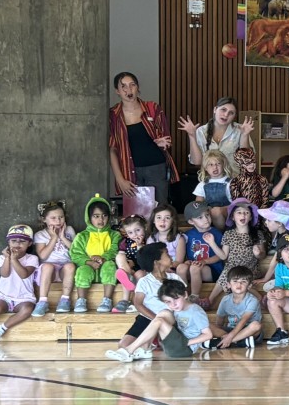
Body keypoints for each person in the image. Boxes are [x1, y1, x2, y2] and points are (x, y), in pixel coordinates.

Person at [108, 72, 178, 213]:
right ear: (117, 91)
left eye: (132, 85)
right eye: (124, 87)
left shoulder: (152, 108)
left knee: (160, 212)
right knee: (135, 214)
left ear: (137, 87)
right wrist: (120, 179)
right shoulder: (113, 115)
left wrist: (161, 142)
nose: (129, 90)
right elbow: (112, 149)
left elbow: (166, 138)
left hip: (156, 167)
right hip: (130, 170)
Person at [105, 278, 212, 363]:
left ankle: (129, 350)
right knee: (164, 313)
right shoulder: (176, 308)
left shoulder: (196, 311)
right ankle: (145, 349)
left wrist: (188, 342)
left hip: (183, 349)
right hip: (176, 340)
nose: (173, 304)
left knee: (159, 321)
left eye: (176, 299)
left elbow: (208, 335)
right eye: (168, 302)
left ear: (185, 295)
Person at [69, 196, 120, 313]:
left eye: (104, 216)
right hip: (89, 266)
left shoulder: (114, 235)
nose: (101, 220)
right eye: (96, 216)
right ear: (89, 217)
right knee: (82, 270)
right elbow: (75, 254)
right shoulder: (82, 236)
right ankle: (81, 300)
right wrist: (88, 262)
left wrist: (103, 258)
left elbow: (114, 250)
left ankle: (107, 299)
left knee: (110, 267)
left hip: (105, 265)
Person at [179, 98, 251, 176]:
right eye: (223, 110)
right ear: (215, 109)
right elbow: (197, 162)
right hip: (209, 182)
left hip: (234, 181)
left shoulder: (240, 130)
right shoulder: (201, 131)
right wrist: (192, 136)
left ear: (234, 116)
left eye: (231, 113)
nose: (226, 115)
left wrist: (245, 135)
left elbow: (246, 160)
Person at [31, 200, 75, 315]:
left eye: (61, 217)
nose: (58, 221)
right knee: (47, 266)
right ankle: (42, 301)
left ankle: (65, 299)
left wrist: (63, 237)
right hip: (48, 272)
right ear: (44, 219)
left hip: (64, 270)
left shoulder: (69, 230)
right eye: (53, 218)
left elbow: (76, 251)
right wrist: (54, 238)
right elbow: (43, 255)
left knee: (70, 265)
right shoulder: (40, 235)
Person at [213, 266, 265, 350]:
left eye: (243, 282)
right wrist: (218, 332)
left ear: (249, 286)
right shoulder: (225, 300)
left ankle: (226, 341)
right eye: (235, 281)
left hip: (248, 331)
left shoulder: (252, 300)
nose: (239, 284)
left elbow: (243, 321)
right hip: (231, 329)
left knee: (256, 325)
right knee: (208, 325)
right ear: (228, 284)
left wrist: (230, 337)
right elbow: (219, 322)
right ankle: (239, 341)